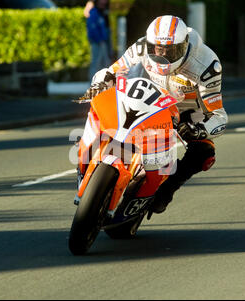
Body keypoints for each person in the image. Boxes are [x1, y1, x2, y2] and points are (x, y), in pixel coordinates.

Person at [85, 15, 228, 214]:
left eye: (171, 51)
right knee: (103, 109)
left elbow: (219, 116)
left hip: (186, 109)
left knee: (204, 153)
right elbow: (113, 70)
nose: (162, 55)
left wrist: (199, 130)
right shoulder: (142, 46)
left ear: (184, 46)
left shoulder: (207, 66)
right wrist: (103, 81)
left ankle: (167, 189)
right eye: (157, 49)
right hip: (147, 96)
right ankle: (88, 157)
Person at [85, 0, 113, 81]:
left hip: (103, 42)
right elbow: (92, 29)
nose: (104, 2)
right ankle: (92, 85)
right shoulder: (94, 13)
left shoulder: (103, 12)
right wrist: (100, 40)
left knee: (105, 65)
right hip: (98, 42)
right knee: (96, 64)